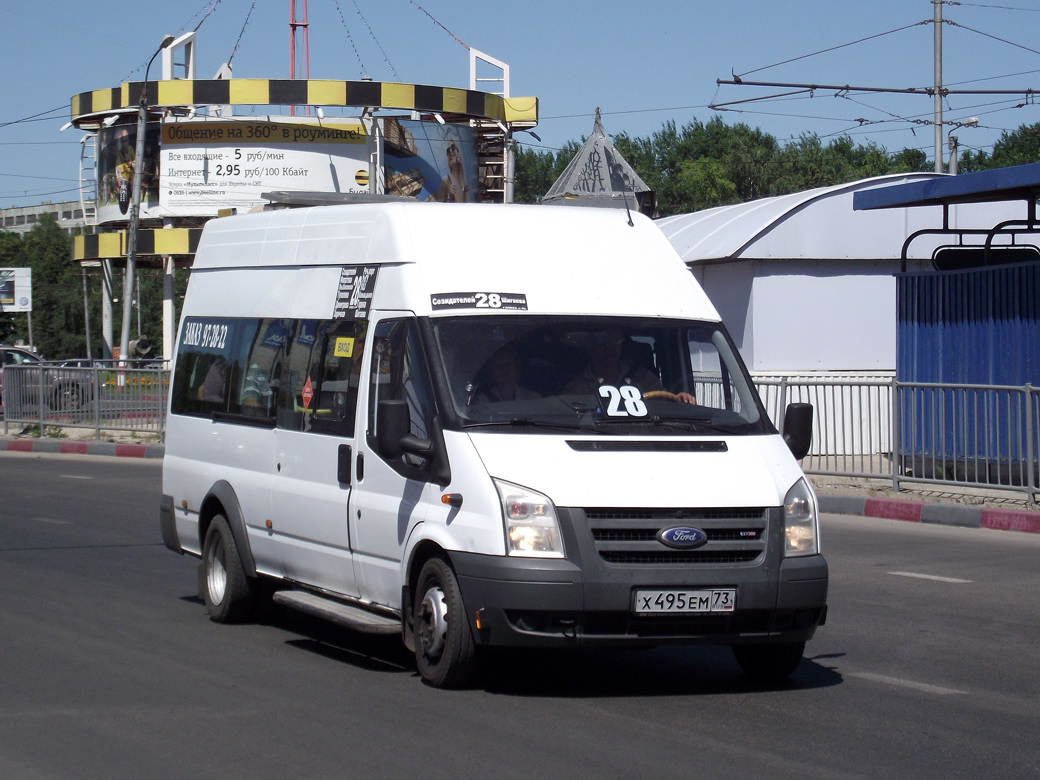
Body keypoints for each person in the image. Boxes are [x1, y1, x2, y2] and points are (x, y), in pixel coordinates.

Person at [563, 330, 696, 404]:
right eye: (601, 342)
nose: (608, 348)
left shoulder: (643, 377)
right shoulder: (576, 387)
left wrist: (681, 399)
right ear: (590, 348)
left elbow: (666, 402)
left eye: (613, 340)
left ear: (621, 345)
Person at [473, 346, 538, 403]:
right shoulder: (482, 401)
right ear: (491, 371)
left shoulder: (532, 398)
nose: (504, 370)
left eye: (508, 365)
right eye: (499, 367)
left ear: (516, 368)